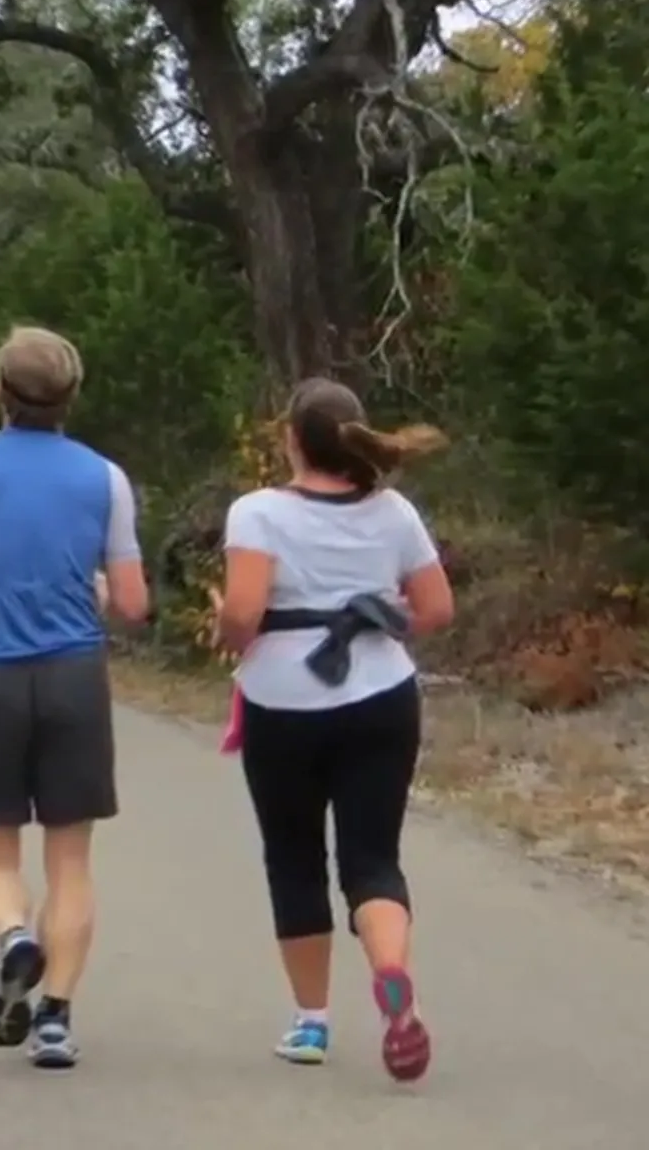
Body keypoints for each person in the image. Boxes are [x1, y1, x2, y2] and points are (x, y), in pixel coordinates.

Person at [0, 325, 149, 1072]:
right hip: (74, 673)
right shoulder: (104, 478)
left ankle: (15, 938)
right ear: (71, 396)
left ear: (0, 391)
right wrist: (97, 593)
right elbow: (134, 603)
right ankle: (56, 1021)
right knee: (70, 856)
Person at [210, 378, 451, 1082]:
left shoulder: (257, 513)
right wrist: (378, 615)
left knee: (293, 856)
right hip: (380, 692)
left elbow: (245, 617)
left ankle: (311, 1021)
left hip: (283, 699)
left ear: (290, 438)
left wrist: (226, 619)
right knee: (372, 857)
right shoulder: (394, 511)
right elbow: (436, 609)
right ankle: (392, 976)